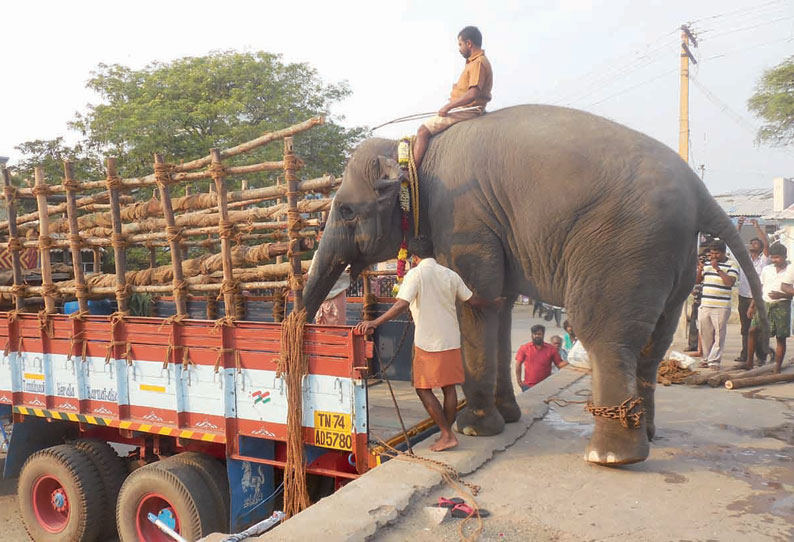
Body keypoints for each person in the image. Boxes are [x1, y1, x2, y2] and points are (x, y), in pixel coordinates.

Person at [355, 236, 498, 452]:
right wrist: (494, 303)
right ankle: (445, 433)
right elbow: (473, 301)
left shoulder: (416, 274)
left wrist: (374, 322)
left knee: (423, 389)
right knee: (449, 388)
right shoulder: (450, 274)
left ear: (414, 257)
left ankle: (447, 434)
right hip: (450, 339)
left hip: (428, 342)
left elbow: (401, 304)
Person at [412, 26, 493, 170]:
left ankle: (410, 172)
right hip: (464, 107)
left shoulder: (478, 62)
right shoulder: (474, 62)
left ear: (469, 43)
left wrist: (448, 107)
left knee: (422, 131)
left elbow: (473, 93)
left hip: (469, 109)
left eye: (460, 44)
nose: (459, 48)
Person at [746, 243, 793, 373]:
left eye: (777, 257)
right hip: (765, 304)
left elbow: (791, 293)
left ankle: (776, 369)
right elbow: (759, 289)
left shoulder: (791, 270)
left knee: (780, 337)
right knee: (752, 330)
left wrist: (782, 294)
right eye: (772, 257)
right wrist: (752, 306)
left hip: (782, 305)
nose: (774, 260)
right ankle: (749, 362)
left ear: (784, 256)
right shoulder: (767, 269)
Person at [697, 239, 740, 369]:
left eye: (717, 253)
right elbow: (697, 281)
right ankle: (706, 358)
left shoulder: (732, 264)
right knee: (705, 333)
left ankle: (714, 361)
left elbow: (730, 282)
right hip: (706, 303)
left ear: (723, 253)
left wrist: (718, 269)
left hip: (721, 306)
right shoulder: (707, 264)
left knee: (719, 334)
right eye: (712, 253)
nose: (714, 256)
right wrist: (700, 269)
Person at [736, 217, 770, 362]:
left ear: (760, 247)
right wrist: (739, 225)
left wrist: (757, 227)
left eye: (756, 243)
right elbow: (734, 243)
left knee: (759, 329)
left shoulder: (763, 260)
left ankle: (761, 357)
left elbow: (767, 244)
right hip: (743, 296)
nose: (752, 244)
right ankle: (745, 355)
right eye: (751, 242)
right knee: (745, 328)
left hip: (758, 298)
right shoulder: (743, 259)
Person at [309, 225, 350, 325]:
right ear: (318, 238)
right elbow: (311, 275)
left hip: (336, 295)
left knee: (337, 328)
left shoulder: (341, 253)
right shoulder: (318, 254)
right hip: (321, 299)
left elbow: (349, 268)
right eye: (323, 237)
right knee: (321, 329)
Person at [515, 325, 568, 392]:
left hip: (545, 386)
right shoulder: (524, 348)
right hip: (528, 386)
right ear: (532, 335)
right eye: (535, 334)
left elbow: (559, 364)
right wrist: (519, 381)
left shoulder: (551, 349)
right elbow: (518, 365)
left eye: (539, 334)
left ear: (543, 335)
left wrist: (572, 363)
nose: (537, 336)